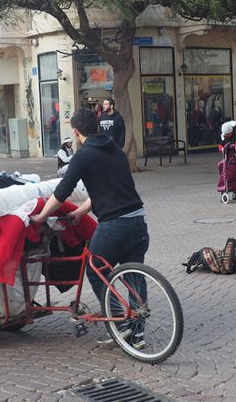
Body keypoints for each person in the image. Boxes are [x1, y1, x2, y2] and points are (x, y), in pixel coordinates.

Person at [31, 108, 148, 349]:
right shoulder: (115, 149)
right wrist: (78, 212)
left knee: (95, 270)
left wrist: (42, 215)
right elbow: (107, 190)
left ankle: (119, 325)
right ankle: (137, 335)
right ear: (97, 125)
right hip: (138, 222)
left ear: (75, 132)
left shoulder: (83, 155)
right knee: (133, 275)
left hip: (115, 225)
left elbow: (62, 192)